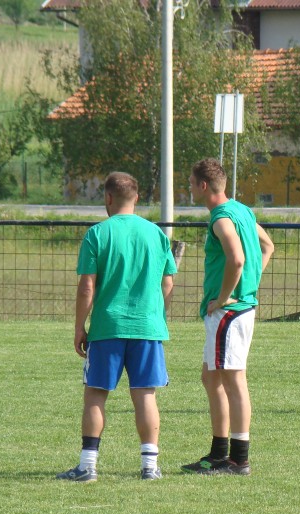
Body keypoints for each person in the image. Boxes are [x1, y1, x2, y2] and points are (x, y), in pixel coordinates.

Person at [56, 172, 177, 482]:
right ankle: (149, 467)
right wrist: (153, 312)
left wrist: (79, 326)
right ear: (136, 198)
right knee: (145, 395)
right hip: (147, 328)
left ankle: (87, 466)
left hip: (107, 327)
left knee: (96, 394)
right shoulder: (157, 234)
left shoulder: (97, 234)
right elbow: (167, 282)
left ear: (108, 198)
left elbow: (87, 287)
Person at [181, 158, 274, 476]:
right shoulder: (242, 211)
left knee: (234, 381)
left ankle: (239, 459)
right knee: (210, 377)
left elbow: (236, 259)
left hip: (228, 313)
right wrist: (250, 283)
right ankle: (219, 452)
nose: (189, 188)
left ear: (203, 185)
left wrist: (223, 298)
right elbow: (268, 246)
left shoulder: (221, 218)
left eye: (191, 183)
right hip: (236, 310)